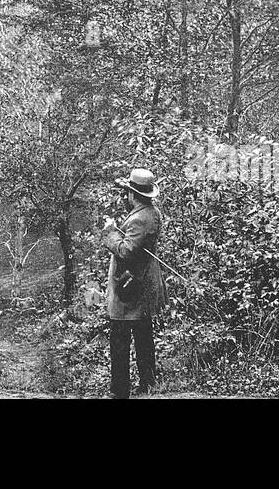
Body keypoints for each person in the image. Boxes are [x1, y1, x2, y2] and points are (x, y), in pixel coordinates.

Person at [101, 167, 164, 399]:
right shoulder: (151, 212)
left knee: (120, 336)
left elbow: (127, 252)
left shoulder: (139, 218)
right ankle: (147, 384)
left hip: (130, 288)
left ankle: (119, 391)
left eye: (127, 192)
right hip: (142, 283)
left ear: (133, 194)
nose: (125, 197)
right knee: (143, 333)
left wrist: (110, 233)